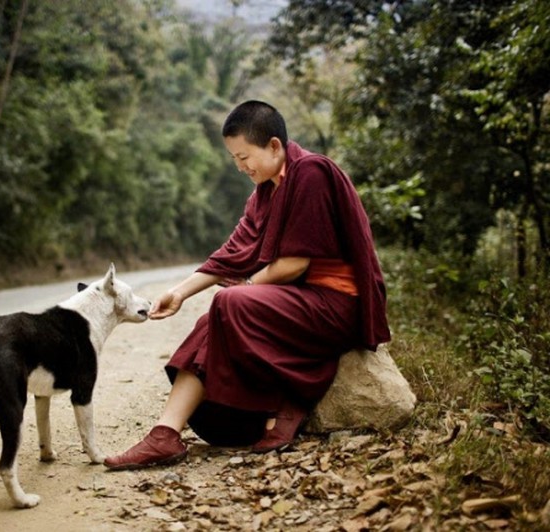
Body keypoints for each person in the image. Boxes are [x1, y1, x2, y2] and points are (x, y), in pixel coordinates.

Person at [104, 100, 390, 470]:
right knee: (213, 320)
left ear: (274, 146)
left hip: (337, 304)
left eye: (244, 156)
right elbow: (232, 252)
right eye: (234, 159)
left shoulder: (311, 172)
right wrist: (180, 291)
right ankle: (165, 434)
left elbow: (295, 263)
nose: (240, 167)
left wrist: (248, 287)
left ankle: (283, 402)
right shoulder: (266, 191)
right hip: (303, 301)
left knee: (233, 303)